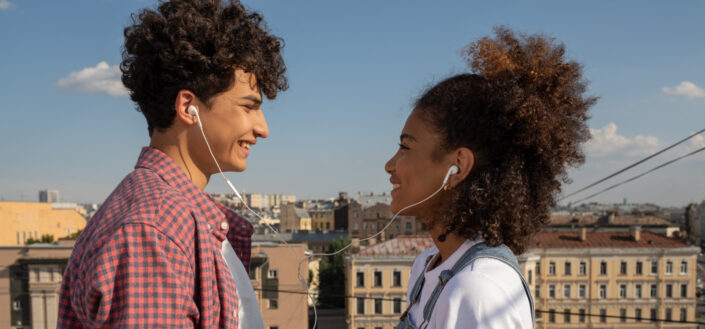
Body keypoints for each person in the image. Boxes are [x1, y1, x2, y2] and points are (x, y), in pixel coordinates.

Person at [57, 1, 287, 328]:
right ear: (188, 107)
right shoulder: (155, 231)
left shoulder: (175, 219)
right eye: (248, 107)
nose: (263, 128)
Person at [385, 27, 595, 329]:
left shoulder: (478, 291)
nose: (389, 165)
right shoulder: (429, 265)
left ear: (458, 166)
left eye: (405, 146)